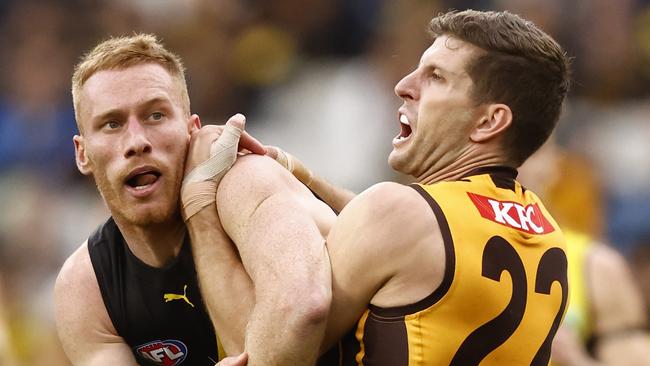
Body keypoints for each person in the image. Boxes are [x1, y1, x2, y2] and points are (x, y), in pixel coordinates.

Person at [204, 9, 573, 366]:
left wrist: (200, 204)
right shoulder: (547, 236)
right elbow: (417, 237)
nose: (403, 86)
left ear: (489, 121)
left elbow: (260, 351)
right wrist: (310, 179)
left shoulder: (398, 215)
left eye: (436, 77)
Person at [53, 34, 336, 365]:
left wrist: (199, 210)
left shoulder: (248, 184)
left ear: (193, 131)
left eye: (155, 115)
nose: (137, 141)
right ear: (83, 153)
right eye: (112, 124)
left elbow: (303, 308)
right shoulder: (87, 287)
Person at [518, 141, 650, 366]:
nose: (505, 163)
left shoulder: (594, 266)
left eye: (526, 150)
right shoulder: (443, 241)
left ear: (554, 163)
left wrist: (577, 360)